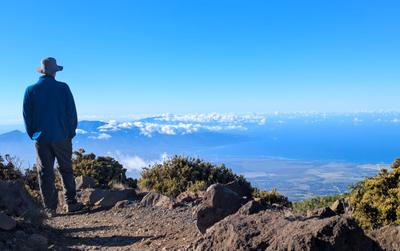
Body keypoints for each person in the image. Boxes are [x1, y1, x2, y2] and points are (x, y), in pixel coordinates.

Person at [23, 57, 83, 216]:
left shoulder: (30, 90)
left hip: (41, 138)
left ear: (42, 71)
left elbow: (27, 117)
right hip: (62, 136)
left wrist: (33, 135)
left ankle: (50, 208)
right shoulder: (63, 88)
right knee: (66, 170)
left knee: (45, 172)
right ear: (55, 71)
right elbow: (72, 113)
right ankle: (71, 203)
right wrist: (70, 132)